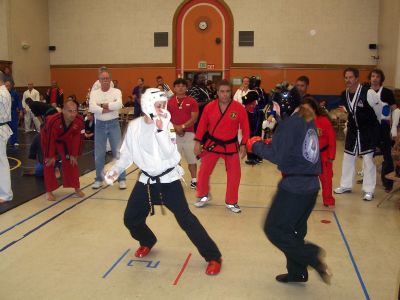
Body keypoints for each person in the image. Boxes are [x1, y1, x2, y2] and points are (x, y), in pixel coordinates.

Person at [104, 88, 222, 275]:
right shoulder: (134, 126)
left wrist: (160, 130)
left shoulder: (168, 125)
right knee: (130, 219)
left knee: (186, 221)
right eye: (159, 105)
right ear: (147, 105)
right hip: (146, 181)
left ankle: (213, 256)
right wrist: (116, 169)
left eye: (164, 105)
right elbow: (126, 154)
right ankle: (147, 241)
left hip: (169, 181)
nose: (162, 109)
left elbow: (171, 154)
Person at [247, 85, 331, 284]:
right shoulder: (305, 119)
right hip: (310, 186)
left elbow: (278, 156)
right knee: (295, 231)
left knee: (274, 228)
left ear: (285, 103)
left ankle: (311, 254)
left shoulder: (291, 123)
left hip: (295, 187)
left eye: (275, 104)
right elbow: (292, 149)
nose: (273, 109)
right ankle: (297, 272)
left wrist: (255, 145)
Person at [194, 80, 249, 213]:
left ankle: (231, 201)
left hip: (230, 145)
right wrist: (197, 141)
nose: (225, 94)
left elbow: (246, 127)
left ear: (231, 92)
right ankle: (203, 195)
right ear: (217, 93)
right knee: (203, 172)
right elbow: (202, 125)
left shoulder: (239, 108)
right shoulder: (209, 107)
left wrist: (244, 144)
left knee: (235, 174)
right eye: (222, 91)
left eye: (227, 91)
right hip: (212, 145)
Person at [334, 68, 380, 201]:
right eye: (346, 77)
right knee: (348, 157)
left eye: (350, 77)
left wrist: (377, 130)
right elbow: (349, 112)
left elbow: (378, 111)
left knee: (367, 160)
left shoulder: (368, 92)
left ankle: (369, 190)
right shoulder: (344, 94)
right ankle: (346, 185)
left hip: (368, 130)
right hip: (353, 130)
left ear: (357, 78)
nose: (348, 80)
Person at [89, 68, 126, 189]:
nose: (105, 80)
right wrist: (110, 106)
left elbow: (119, 105)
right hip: (99, 125)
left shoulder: (116, 91)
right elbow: (92, 108)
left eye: (107, 78)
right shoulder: (94, 93)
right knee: (99, 154)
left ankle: (121, 179)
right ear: (99, 80)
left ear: (110, 80)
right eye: (102, 79)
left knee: (117, 153)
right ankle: (99, 179)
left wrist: (102, 105)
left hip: (113, 124)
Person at [41, 100, 85, 201]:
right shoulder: (53, 121)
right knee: (49, 162)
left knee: (72, 161)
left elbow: (78, 137)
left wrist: (75, 154)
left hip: (65, 138)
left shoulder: (79, 120)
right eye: (70, 111)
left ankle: (76, 187)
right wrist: (51, 155)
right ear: (63, 111)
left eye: (75, 111)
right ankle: (49, 191)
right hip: (48, 138)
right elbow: (49, 139)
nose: (73, 114)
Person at [301, 97, 336, 207]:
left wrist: (331, 155)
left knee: (326, 179)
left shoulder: (324, 121)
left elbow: (332, 139)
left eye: (308, 108)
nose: (307, 111)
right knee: (307, 178)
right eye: (304, 109)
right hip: (309, 155)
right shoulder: (304, 122)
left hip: (324, 155)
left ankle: (328, 199)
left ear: (314, 108)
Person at [368, 69, 396, 192]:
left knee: (387, 155)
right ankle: (368, 180)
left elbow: (395, 110)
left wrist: (394, 127)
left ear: (381, 78)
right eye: (372, 76)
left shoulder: (387, 93)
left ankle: (388, 183)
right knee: (367, 155)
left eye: (377, 76)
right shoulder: (365, 92)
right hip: (370, 127)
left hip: (384, 127)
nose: (374, 78)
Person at [167, 78, 199, 189]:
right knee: (175, 159)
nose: (180, 88)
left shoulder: (192, 101)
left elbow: (194, 118)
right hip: (172, 133)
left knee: (192, 159)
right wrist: (175, 127)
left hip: (189, 133)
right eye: (178, 86)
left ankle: (194, 180)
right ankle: (178, 179)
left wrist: (183, 126)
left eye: (183, 86)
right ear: (174, 88)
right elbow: (166, 118)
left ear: (186, 88)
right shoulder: (169, 102)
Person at [0, 72, 13, 204]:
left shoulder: (2, 93)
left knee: (1, 161)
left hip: (1, 129)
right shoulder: (3, 92)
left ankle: (5, 194)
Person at [5, 80, 22, 146]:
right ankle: (5, 141)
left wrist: (20, 110)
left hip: (13, 112)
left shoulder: (14, 93)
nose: (8, 87)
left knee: (14, 127)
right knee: (5, 128)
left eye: (9, 86)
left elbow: (19, 102)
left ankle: (14, 141)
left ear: (11, 86)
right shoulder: (2, 93)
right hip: (5, 113)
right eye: (6, 86)